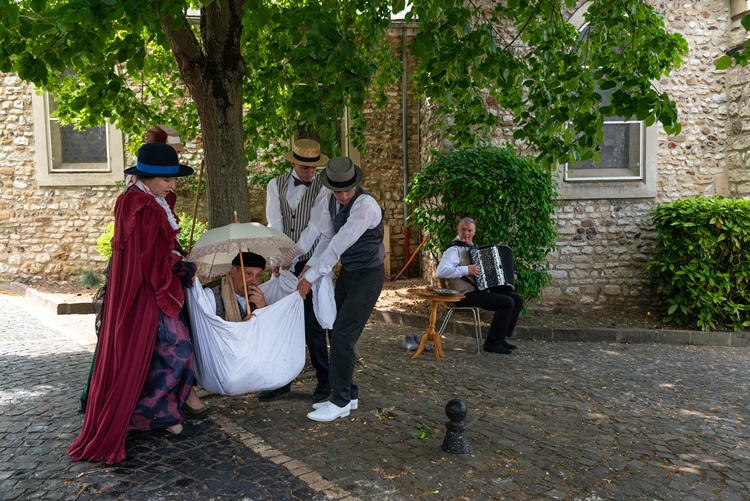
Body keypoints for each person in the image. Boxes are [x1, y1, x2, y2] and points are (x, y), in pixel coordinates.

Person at [68, 143, 200, 465]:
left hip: (145, 288)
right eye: (167, 179)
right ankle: (149, 415)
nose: (172, 185)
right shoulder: (141, 205)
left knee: (156, 352)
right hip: (143, 294)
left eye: (173, 179)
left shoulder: (147, 200)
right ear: (148, 176)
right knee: (178, 350)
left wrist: (175, 257)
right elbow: (147, 259)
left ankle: (161, 412)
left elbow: (157, 246)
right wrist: (174, 267)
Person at [297, 156, 385, 422]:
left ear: (356, 184)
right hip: (349, 274)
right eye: (338, 190)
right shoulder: (329, 201)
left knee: (343, 335)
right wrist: (308, 265)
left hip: (369, 275)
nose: (344, 195)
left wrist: (310, 278)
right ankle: (350, 393)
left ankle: (340, 400)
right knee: (335, 330)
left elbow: (339, 245)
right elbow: (326, 238)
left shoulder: (365, 206)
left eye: (348, 189)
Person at [262, 139, 332, 403]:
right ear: (293, 162)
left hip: (310, 260)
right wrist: (278, 258)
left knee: (312, 323)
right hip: (283, 261)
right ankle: (282, 380)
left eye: (315, 168)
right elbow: (274, 223)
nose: (310, 172)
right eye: (305, 167)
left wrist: (293, 256)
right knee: (283, 322)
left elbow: (314, 227)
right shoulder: (274, 185)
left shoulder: (323, 188)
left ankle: (324, 380)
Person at [436, 217, 523, 355]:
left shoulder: (475, 248)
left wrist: (507, 275)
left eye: (469, 230)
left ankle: (499, 339)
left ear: (474, 232)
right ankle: (491, 343)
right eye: (463, 230)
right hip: (464, 295)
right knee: (506, 302)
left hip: (479, 291)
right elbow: (440, 271)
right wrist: (466, 269)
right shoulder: (454, 250)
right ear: (458, 230)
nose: (466, 233)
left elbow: (488, 273)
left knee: (517, 300)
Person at [206, 252, 268, 321]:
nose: (254, 281)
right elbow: (207, 330)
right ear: (233, 271)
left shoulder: (258, 296)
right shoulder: (210, 295)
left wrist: (264, 308)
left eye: (258, 275)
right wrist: (242, 326)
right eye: (248, 274)